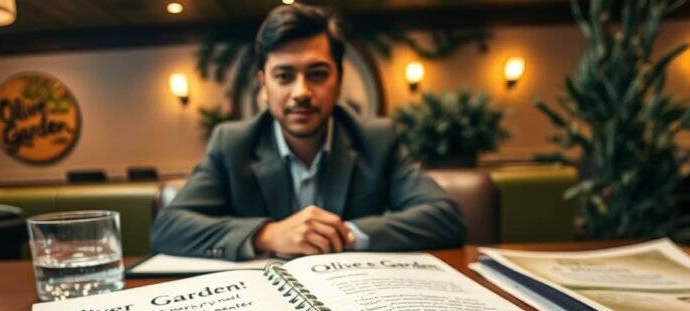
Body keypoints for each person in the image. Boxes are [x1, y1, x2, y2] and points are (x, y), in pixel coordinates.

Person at [150, 4, 465, 260]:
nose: (301, 92)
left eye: (317, 74)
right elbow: (168, 228)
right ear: (264, 84)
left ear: (339, 80)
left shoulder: (376, 138)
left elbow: (444, 218)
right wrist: (268, 234)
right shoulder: (232, 143)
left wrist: (344, 235)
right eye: (284, 76)